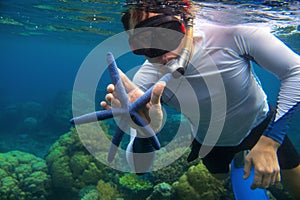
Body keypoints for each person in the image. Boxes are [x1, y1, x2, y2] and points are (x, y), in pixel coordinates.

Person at [101, 0, 300, 198]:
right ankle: (238, 161)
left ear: (187, 20)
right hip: (211, 141)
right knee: (220, 177)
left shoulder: (230, 34)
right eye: (146, 45)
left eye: (167, 34)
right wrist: (144, 133)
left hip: (262, 125)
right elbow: (140, 168)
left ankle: (247, 156)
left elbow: (296, 72)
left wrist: (270, 142)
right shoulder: (146, 80)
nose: (162, 56)